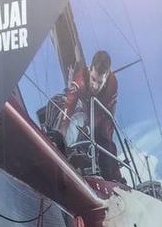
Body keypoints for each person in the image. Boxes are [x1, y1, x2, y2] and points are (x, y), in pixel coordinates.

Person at [51, 49, 120, 179]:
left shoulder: (113, 84)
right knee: (75, 122)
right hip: (85, 109)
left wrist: (92, 126)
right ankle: (64, 152)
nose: (95, 85)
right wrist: (60, 134)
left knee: (106, 139)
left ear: (107, 76)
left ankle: (112, 177)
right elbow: (69, 105)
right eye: (93, 79)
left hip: (102, 115)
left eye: (100, 82)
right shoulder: (80, 80)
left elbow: (109, 117)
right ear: (90, 70)